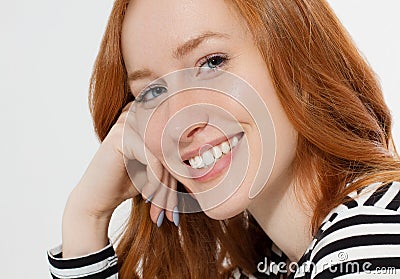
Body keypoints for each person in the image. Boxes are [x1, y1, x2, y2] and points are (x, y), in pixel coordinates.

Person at [47, 0, 400, 278]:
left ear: (296, 57)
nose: (179, 121)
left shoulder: (366, 243)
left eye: (212, 62)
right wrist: (86, 216)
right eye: (152, 92)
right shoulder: (269, 264)